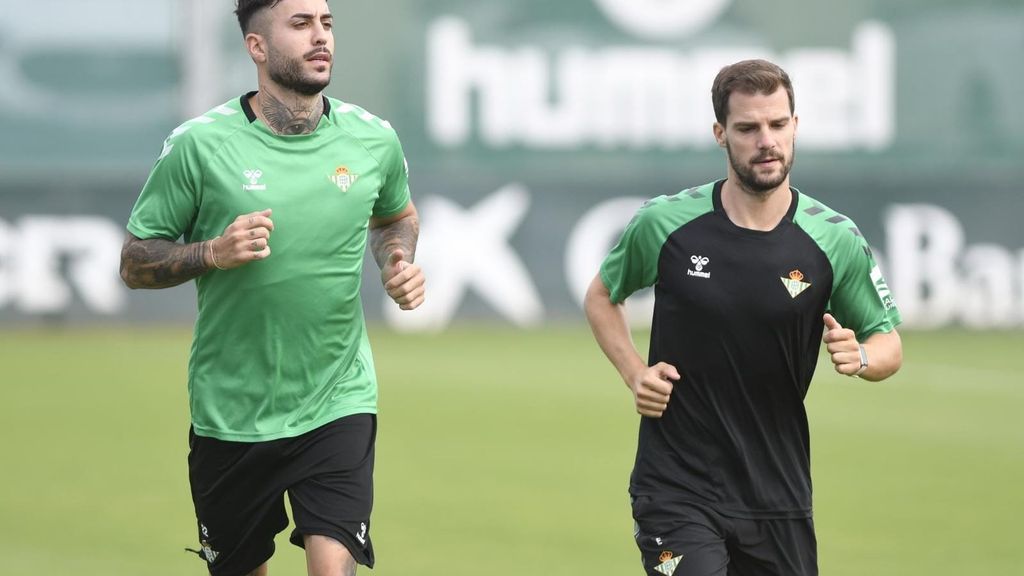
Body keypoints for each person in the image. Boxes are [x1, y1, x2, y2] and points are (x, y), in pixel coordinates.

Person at [119, 0, 424, 574]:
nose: (321, 37)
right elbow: (135, 261)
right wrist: (212, 251)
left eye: (327, 24)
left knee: (333, 566)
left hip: (338, 398)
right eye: (301, 24)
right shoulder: (199, 145)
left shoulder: (372, 140)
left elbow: (394, 217)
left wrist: (397, 261)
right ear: (257, 47)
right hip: (230, 411)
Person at [584, 59, 902, 576]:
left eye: (778, 124)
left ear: (795, 126)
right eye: (748, 128)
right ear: (720, 134)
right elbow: (602, 295)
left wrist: (862, 355)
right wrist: (633, 372)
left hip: (778, 493)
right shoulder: (666, 223)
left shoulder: (834, 239)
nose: (766, 140)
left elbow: (888, 343)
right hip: (676, 487)